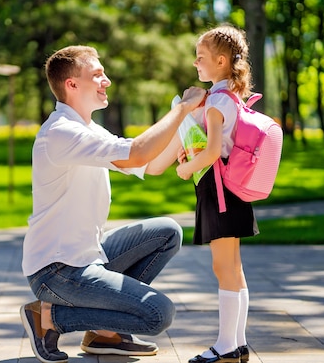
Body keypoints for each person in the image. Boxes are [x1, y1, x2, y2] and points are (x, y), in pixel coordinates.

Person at [20, 45, 207, 363]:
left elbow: (152, 164)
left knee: (167, 232)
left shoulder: (89, 129)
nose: (106, 80)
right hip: (57, 270)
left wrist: (189, 126)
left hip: (88, 256)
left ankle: (103, 333)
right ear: (72, 85)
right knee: (156, 314)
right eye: (97, 75)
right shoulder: (61, 133)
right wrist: (181, 110)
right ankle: (49, 318)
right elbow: (137, 152)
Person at [175, 25, 259, 363]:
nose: (196, 64)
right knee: (234, 268)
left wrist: (184, 168)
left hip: (218, 189)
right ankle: (237, 343)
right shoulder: (232, 97)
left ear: (221, 61)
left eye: (201, 58)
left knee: (223, 267)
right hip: (234, 189)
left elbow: (210, 153)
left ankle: (225, 346)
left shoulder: (216, 102)